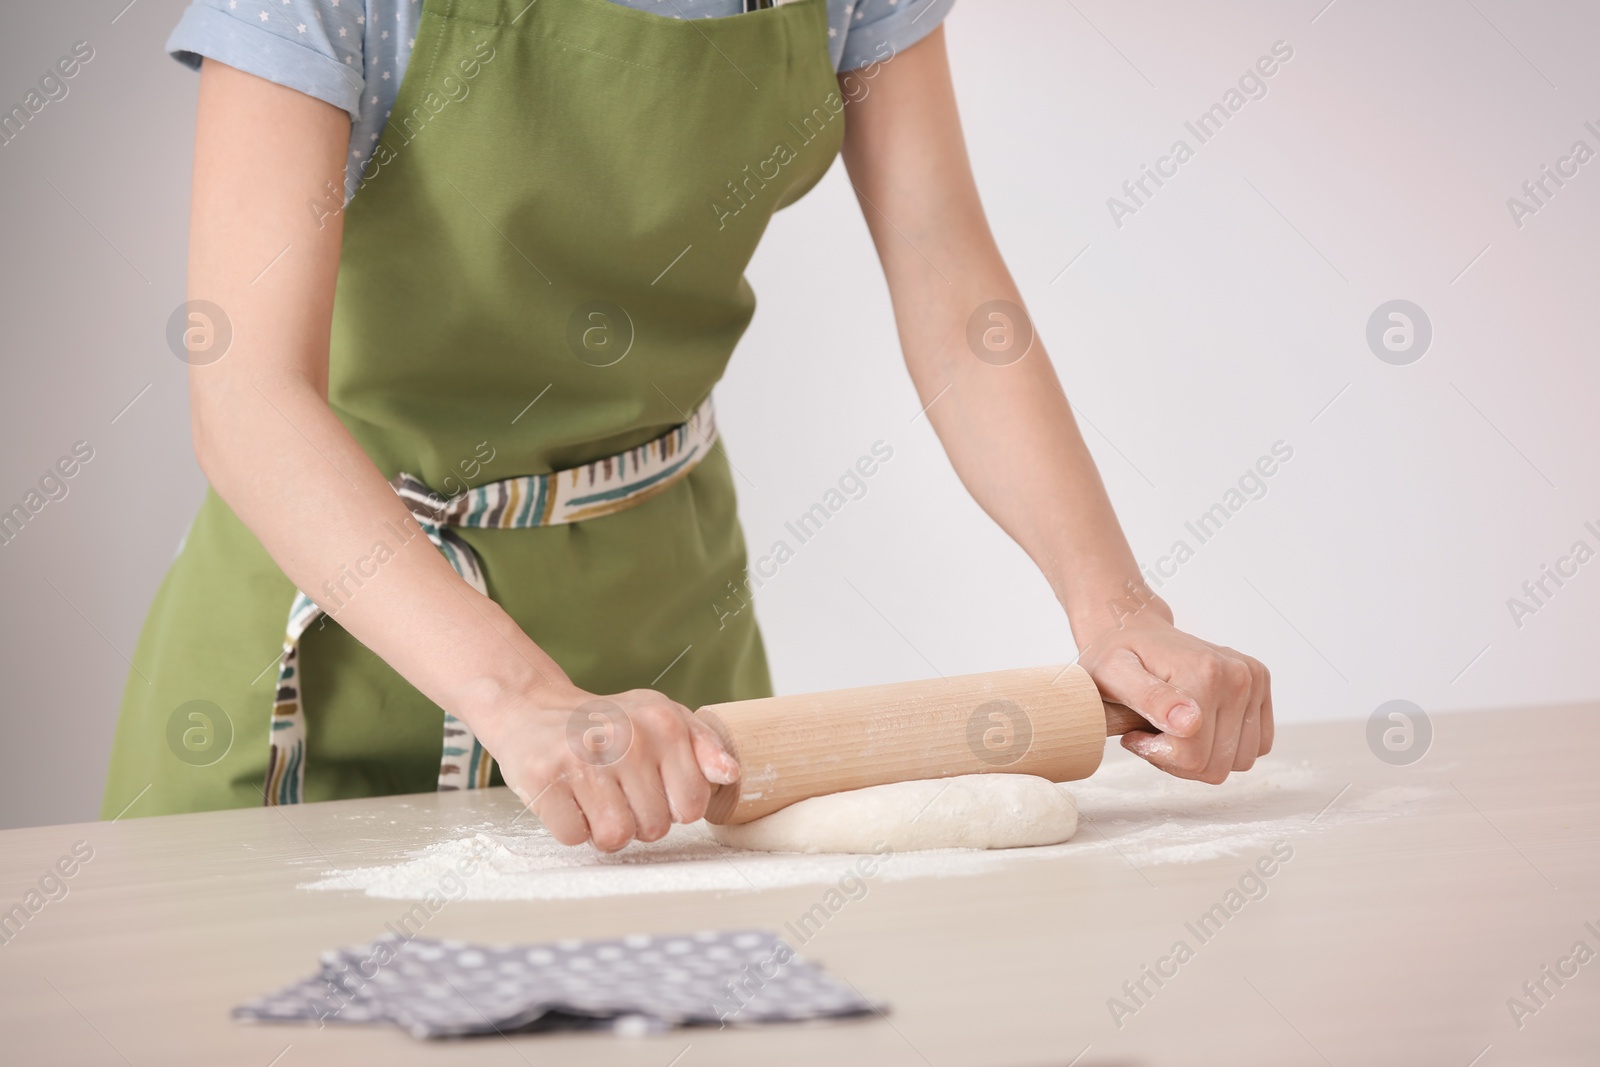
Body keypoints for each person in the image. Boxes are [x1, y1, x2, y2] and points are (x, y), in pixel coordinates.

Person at [101, 0, 1273, 849]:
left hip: (662, 652)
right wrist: (521, 697)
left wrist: (1114, 603)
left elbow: (953, 294)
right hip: (331, 636)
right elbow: (248, 393)